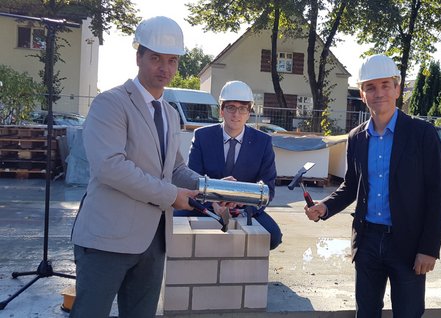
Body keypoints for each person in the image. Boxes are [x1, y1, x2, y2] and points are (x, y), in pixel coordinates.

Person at [70, 16, 201, 318]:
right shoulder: (110, 103)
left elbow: (175, 168)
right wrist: (171, 195)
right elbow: (110, 167)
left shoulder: (169, 113)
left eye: (172, 60)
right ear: (138, 56)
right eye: (155, 58)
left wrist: (211, 188)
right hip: (107, 240)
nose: (164, 68)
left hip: (153, 242)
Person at [305, 54, 441, 317]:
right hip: (368, 241)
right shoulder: (356, 137)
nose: (378, 92)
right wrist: (324, 207)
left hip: (408, 244)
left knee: (408, 313)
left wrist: (428, 249)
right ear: (362, 94)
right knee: (366, 313)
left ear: (397, 89)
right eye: (370, 87)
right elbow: (351, 186)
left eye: (385, 85)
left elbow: (438, 194)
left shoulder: (422, 135)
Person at [175, 80, 283, 250]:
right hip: (206, 205)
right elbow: (191, 180)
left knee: (273, 237)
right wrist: (213, 203)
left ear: (249, 112)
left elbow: (268, 188)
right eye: (231, 107)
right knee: (171, 223)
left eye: (242, 108)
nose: (236, 114)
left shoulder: (263, 142)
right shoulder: (203, 137)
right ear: (221, 110)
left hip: (245, 209)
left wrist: (242, 206)